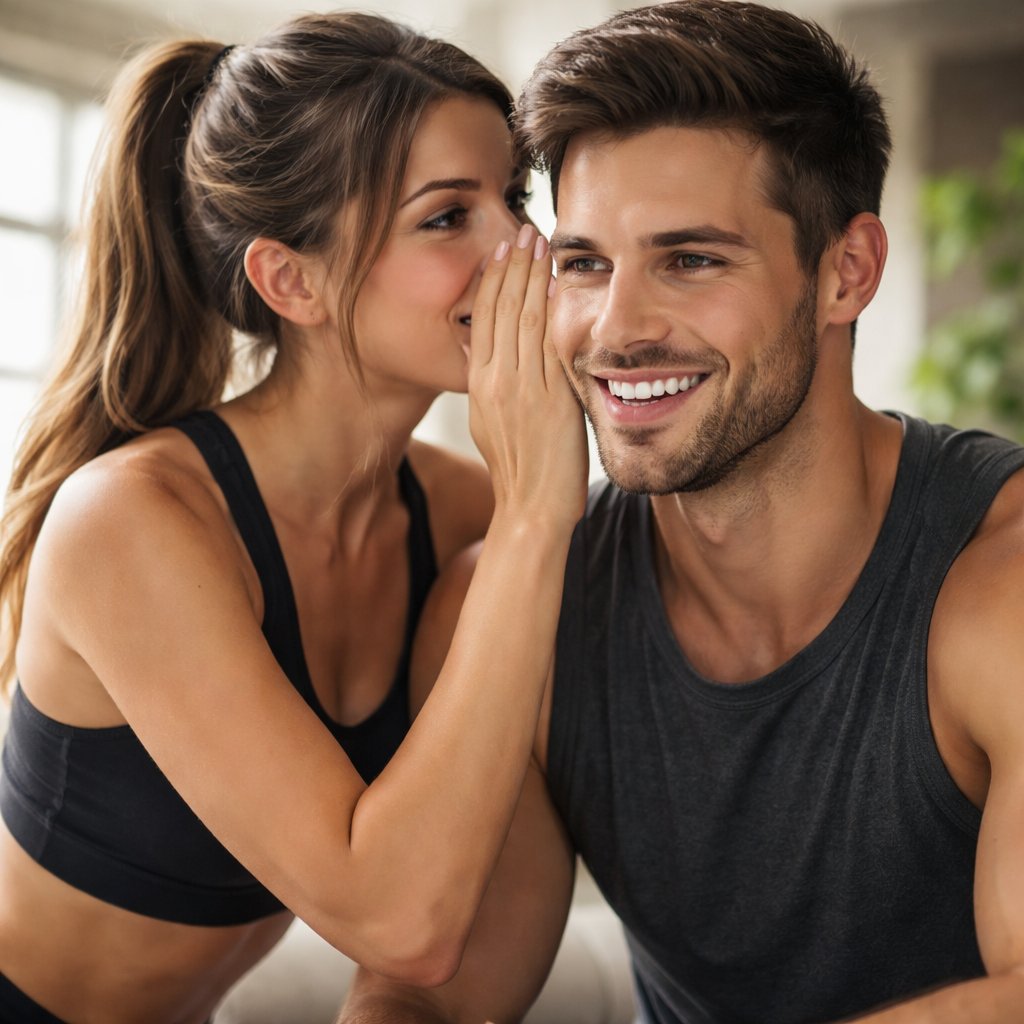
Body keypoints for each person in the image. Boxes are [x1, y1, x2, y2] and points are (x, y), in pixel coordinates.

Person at [338, 2, 1024, 1022]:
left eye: (691, 259)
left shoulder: (997, 584)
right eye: (582, 263)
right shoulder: (517, 605)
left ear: (847, 271)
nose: (616, 329)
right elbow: (431, 993)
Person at [0, 11, 587, 1024]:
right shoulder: (134, 523)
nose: (521, 248)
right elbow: (399, 919)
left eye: (514, 197)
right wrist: (539, 507)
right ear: (291, 279)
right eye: (449, 216)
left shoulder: (455, 514)